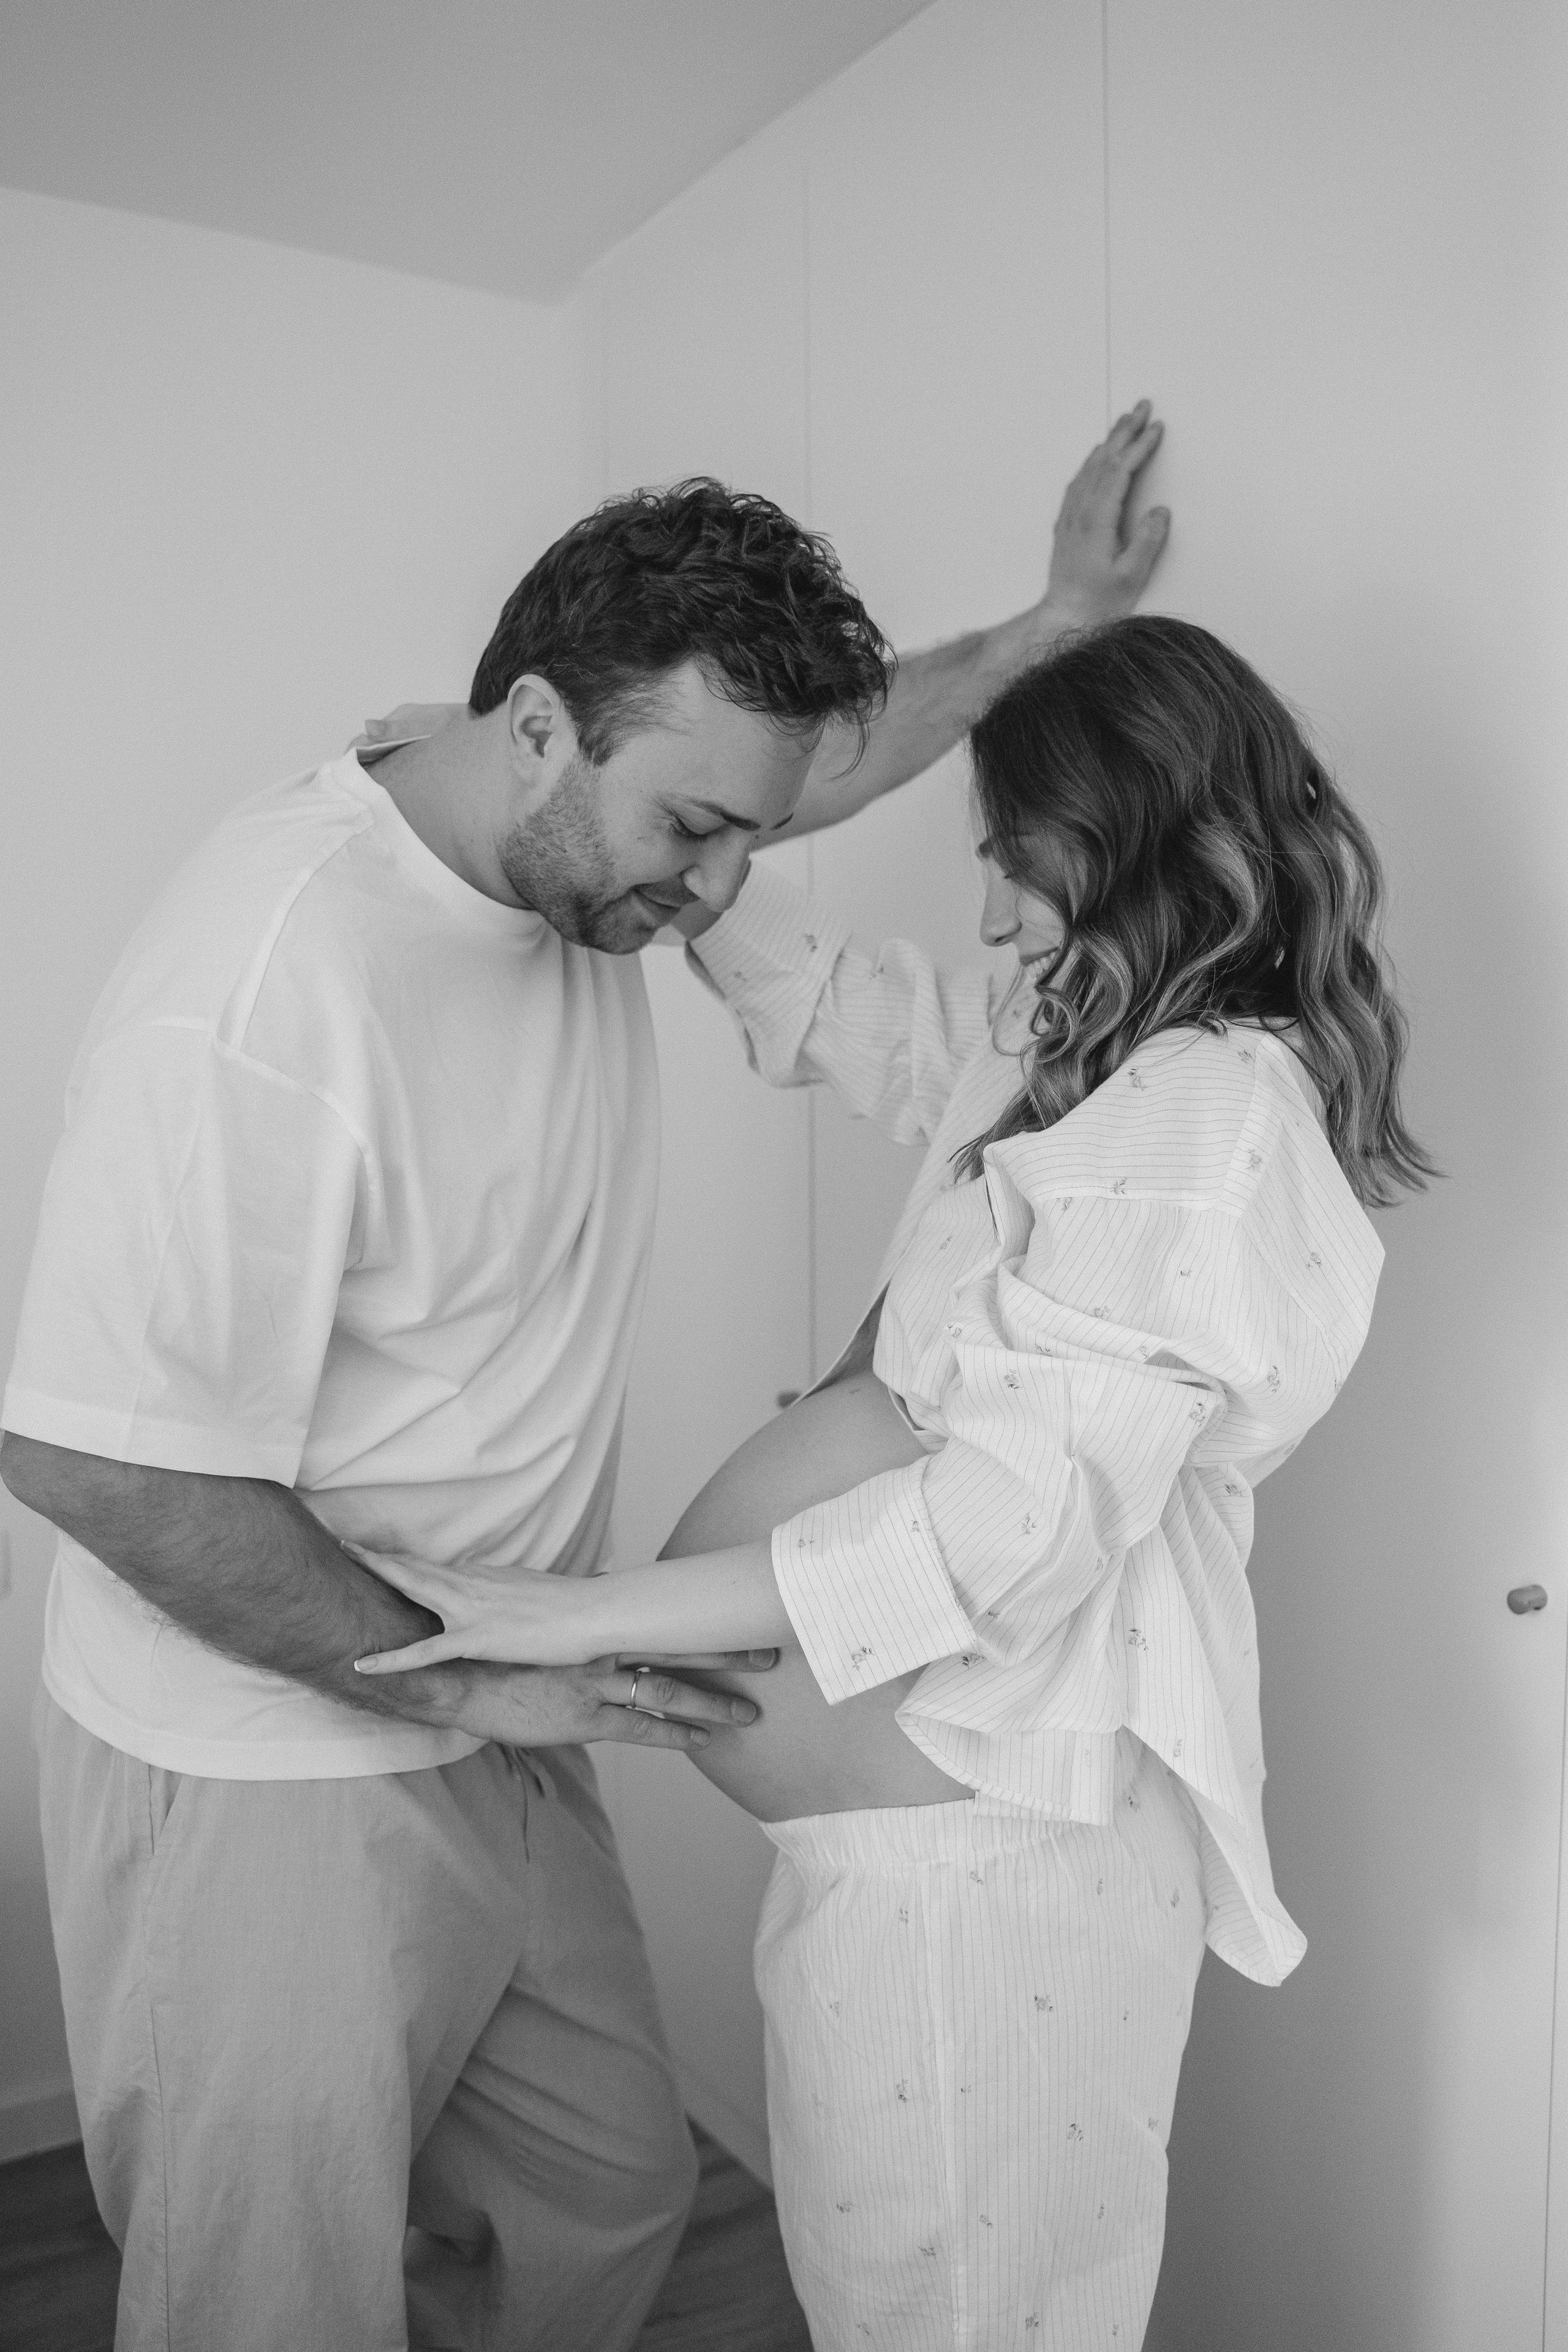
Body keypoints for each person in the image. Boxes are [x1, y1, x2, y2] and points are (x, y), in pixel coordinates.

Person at [0, 409, 1169, 2352]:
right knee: (261, 2301)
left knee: (606, 2192)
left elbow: (818, 764)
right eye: (698, 834)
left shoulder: (565, 802)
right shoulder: (270, 989)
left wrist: (1059, 620)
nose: (722, 896)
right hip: (272, 1751)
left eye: (748, 832)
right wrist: (467, 1667)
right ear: (537, 729)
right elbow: (94, 1461)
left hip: (504, 1702)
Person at [356, 613, 1434, 2350]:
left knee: (954, 2319)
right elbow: (847, 1007)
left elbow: (998, 1527)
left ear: (1154, 841)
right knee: (898, 2303)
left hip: (998, 1874)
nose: (996, 911)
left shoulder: (1207, 1121)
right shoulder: (1078, 1064)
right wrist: (636, 820)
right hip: (919, 1866)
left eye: (1022, 866)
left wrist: (576, 1616)